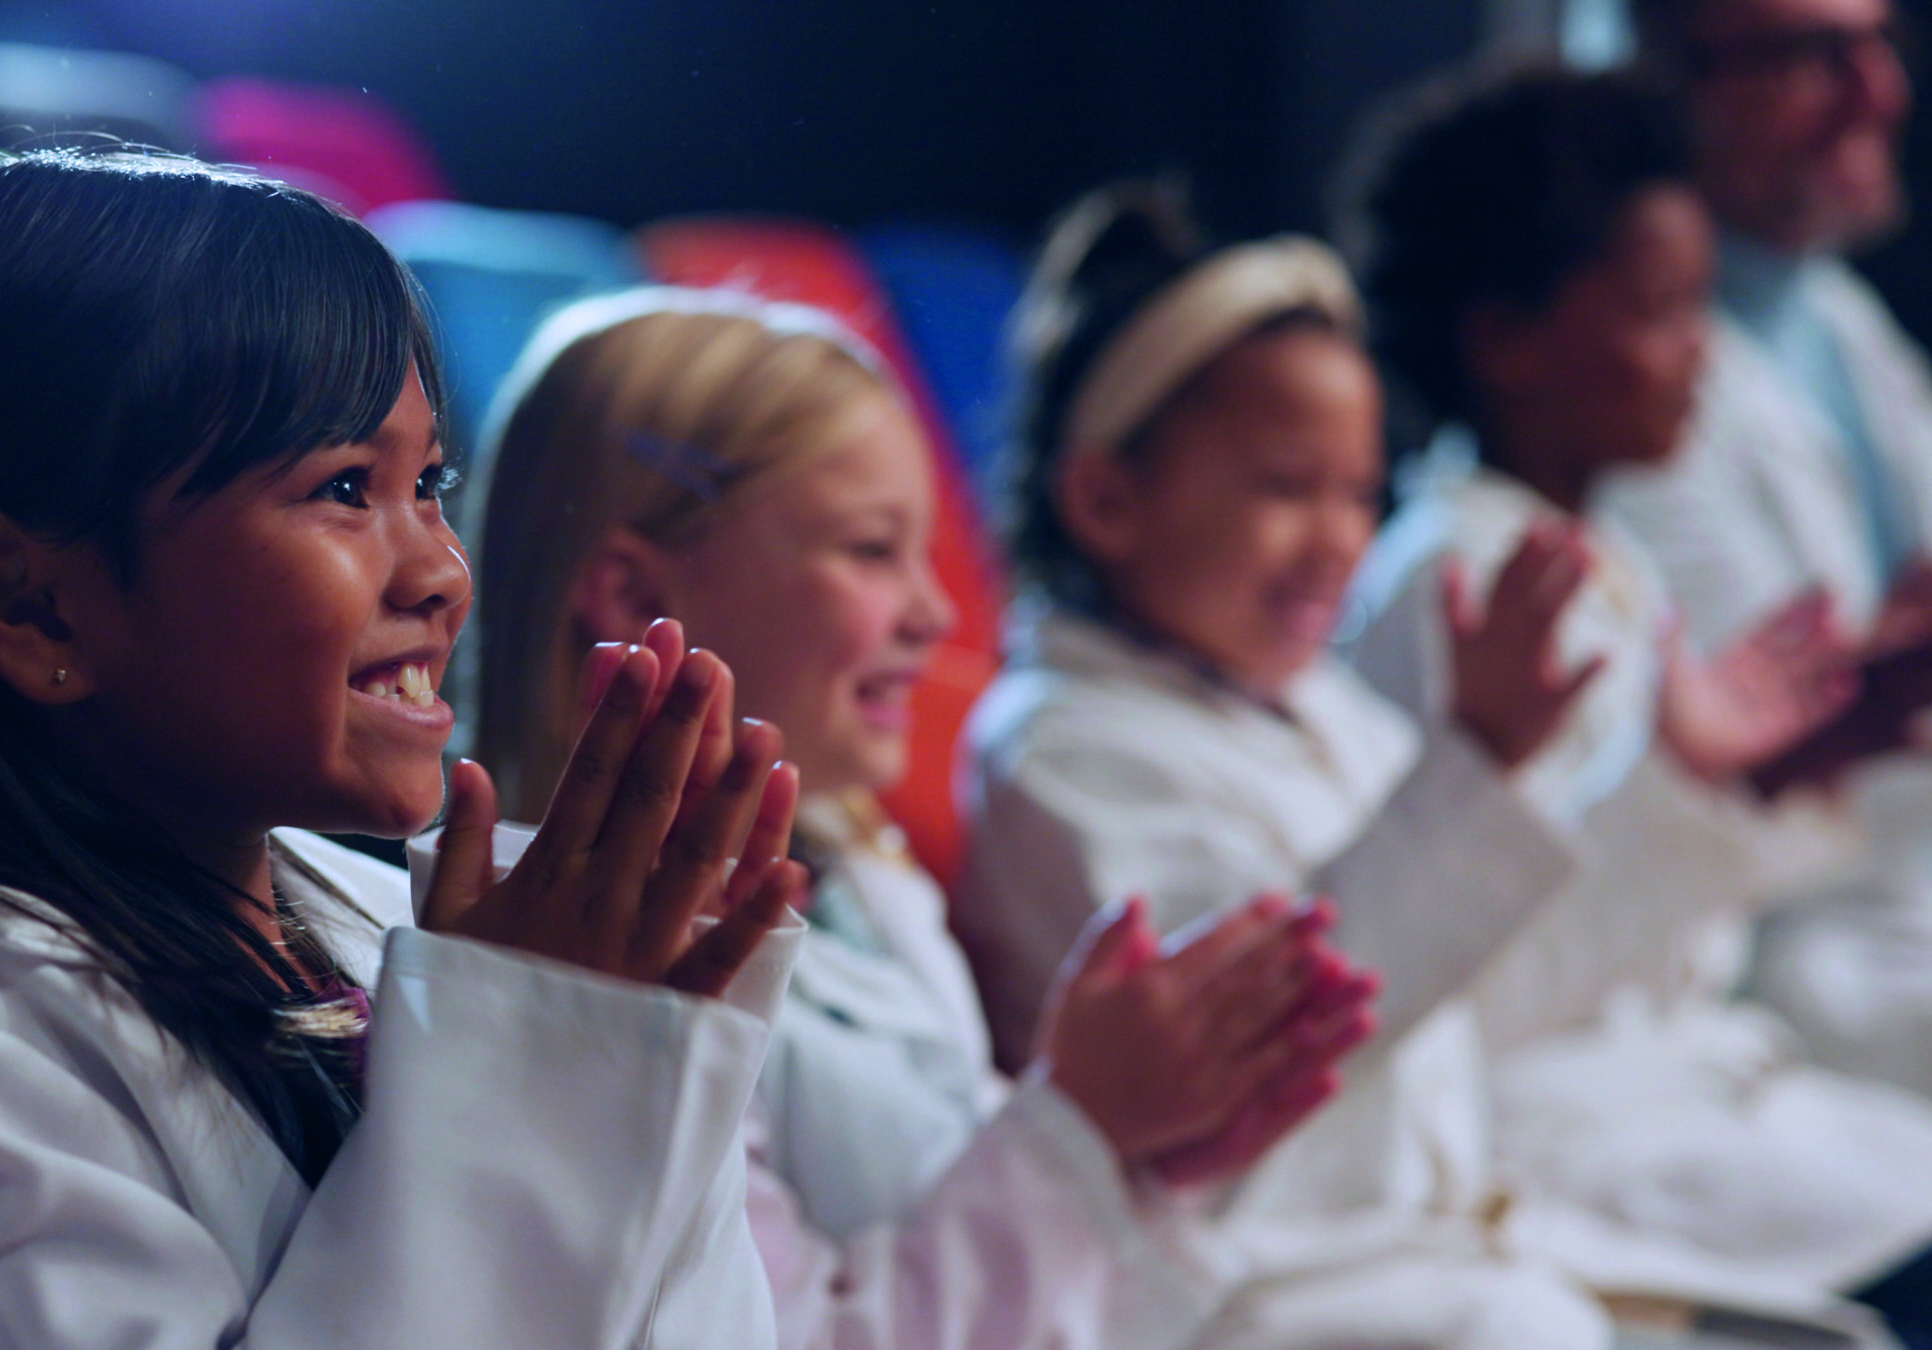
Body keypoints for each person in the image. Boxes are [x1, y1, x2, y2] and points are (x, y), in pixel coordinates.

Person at [0, 152, 813, 1350]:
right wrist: (527, 1065)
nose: (440, 571)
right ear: (33, 606)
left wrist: (624, 1041)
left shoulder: (374, 921)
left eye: (429, 482)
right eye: (342, 487)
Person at [466, 287, 1381, 1350]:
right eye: (868, 550)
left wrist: (1135, 1164)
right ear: (633, 596)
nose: (935, 613)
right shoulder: (567, 974)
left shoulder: (868, 878)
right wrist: (1075, 1133)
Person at [955, 185, 1618, 1349]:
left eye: (1361, 492)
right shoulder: (1058, 749)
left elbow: (1492, 985)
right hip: (1249, 1303)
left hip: (1427, 1269)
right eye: (1283, 486)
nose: (1339, 538)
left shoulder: (1326, 713)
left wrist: (1699, 786)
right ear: (1108, 501)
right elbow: (1248, 1039)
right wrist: (1475, 767)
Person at [1344, 64, 1932, 1337]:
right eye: (1660, 309)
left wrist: (1793, 758)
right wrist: (1729, 787)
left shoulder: (1591, 563)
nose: (1701, 355)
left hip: (1682, 1087)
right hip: (1550, 1133)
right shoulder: (1459, 587)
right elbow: (1473, 980)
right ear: (1505, 340)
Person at [1600, 0, 1932, 1097]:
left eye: (1876, 43)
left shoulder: (1834, 322)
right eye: (1810, 56)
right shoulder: (1615, 394)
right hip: (1791, 958)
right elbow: (1765, 732)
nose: (1876, 93)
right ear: (1661, 80)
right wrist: (1878, 679)